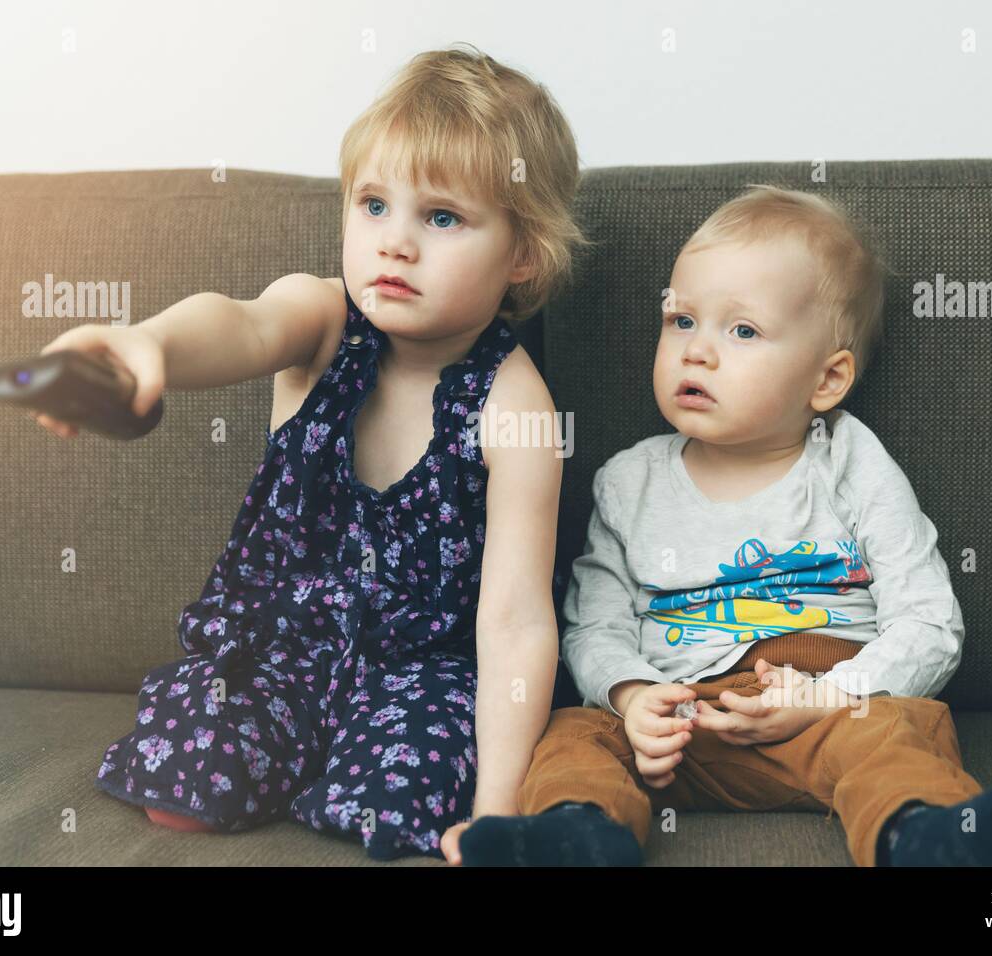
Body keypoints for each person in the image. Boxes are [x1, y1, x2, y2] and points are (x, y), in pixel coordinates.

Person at [34, 44, 583, 860]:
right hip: (280, 655)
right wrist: (143, 341)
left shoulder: (515, 406)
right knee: (189, 775)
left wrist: (497, 809)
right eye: (373, 205)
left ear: (523, 254)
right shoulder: (322, 321)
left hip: (421, 676)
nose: (395, 243)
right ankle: (281, 756)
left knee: (407, 800)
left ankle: (356, 773)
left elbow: (513, 622)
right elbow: (241, 322)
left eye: (441, 218)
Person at [457, 185, 992, 867]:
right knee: (573, 732)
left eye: (742, 331)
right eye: (681, 320)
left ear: (827, 381)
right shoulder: (629, 481)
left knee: (900, 728)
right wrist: (632, 698)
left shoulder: (850, 463)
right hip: (681, 726)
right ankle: (577, 838)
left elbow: (929, 621)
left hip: (829, 711)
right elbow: (595, 625)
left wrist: (830, 696)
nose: (697, 352)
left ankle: (921, 837)